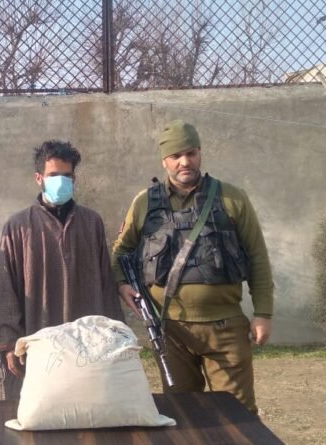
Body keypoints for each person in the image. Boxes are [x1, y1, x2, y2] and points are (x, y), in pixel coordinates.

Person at [110, 120, 274, 413]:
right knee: (181, 414)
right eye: (176, 156)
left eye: (191, 153)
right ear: (164, 161)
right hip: (170, 331)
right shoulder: (145, 203)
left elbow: (257, 256)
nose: (185, 162)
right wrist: (122, 284)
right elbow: (121, 250)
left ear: (199, 153)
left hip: (225, 329)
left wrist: (263, 313)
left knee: (237, 416)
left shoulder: (232, 198)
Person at [0, 140, 125, 400]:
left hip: (86, 342)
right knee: (38, 408)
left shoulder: (91, 223)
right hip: (38, 338)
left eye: (67, 175)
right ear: (39, 178)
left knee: (88, 405)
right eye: (53, 175)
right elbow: (5, 289)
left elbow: (106, 283)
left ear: (74, 178)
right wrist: (9, 344)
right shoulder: (18, 226)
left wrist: (116, 332)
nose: (61, 181)